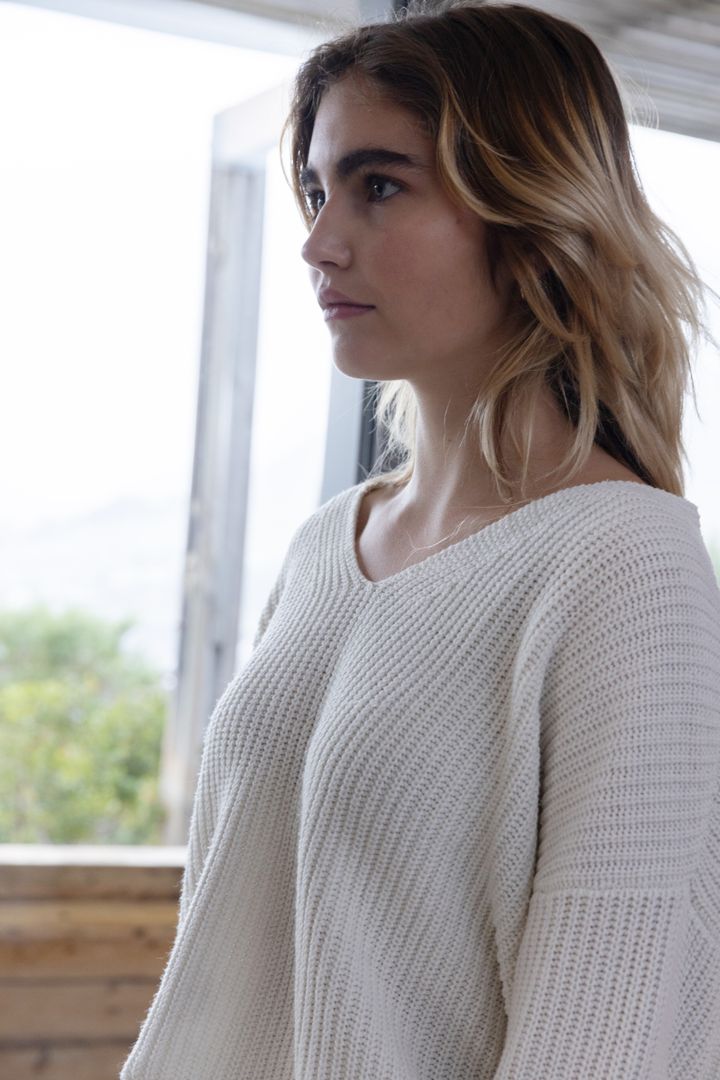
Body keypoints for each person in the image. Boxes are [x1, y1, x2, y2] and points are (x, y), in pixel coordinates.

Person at [121, 2, 720, 1077]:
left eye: (380, 186)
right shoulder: (324, 549)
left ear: (528, 208)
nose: (318, 241)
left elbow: (603, 1036)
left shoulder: (624, 567)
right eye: (317, 190)